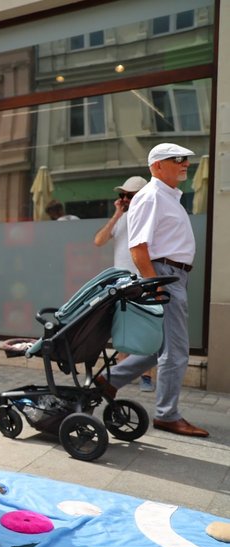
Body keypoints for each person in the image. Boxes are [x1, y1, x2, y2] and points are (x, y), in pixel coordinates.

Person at [95, 143, 207, 438]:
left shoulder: (168, 196)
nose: (185, 163)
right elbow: (138, 248)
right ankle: (167, 415)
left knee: (162, 346)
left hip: (174, 276)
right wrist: (155, 285)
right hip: (165, 275)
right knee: (177, 351)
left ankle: (110, 379)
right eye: (178, 159)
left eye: (186, 159)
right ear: (157, 166)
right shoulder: (151, 196)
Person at [94, 176, 154, 392]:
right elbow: (99, 241)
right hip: (121, 283)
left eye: (129, 195)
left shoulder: (150, 216)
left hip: (143, 280)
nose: (124, 199)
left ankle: (146, 375)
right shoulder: (121, 218)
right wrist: (117, 213)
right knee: (121, 328)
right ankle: (120, 375)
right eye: (122, 195)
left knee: (145, 329)